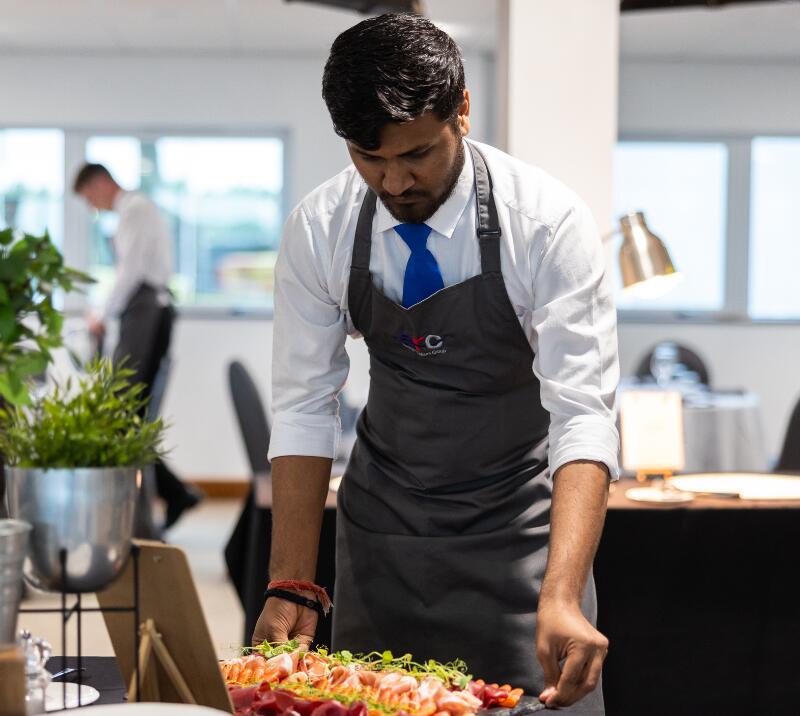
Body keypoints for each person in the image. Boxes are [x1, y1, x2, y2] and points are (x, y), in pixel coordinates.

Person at [254, 13, 619, 713]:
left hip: (519, 544)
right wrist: (291, 582)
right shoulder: (321, 228)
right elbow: (304, 405)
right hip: (383, 539)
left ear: (463, 112)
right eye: (368, 156)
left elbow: (583, 416)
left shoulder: (546, 225)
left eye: (417, 153)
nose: (394, 182)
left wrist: (563, 594)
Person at [73, 163, 202, 529]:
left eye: (89, 196)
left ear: (101, 182)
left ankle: (165, 500)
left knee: (120, 415)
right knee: (127, 420)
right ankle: (174, 495)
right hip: (144, 313)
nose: (93, 205)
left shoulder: (135, 209)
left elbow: (130, 272)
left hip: (146, 312)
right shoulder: (135, 210)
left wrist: (102, 313)